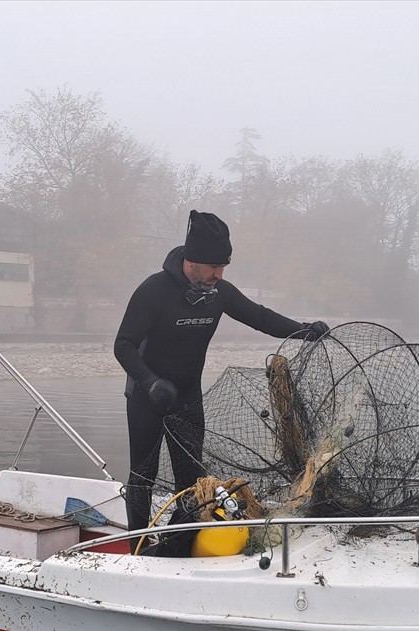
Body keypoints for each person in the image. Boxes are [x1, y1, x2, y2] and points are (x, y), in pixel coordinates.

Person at [113, 210, 329, 540]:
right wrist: (150, 381)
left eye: (223, 267)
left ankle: (180, 542)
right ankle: (137, 546)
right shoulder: (154, 290)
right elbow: (123, 345)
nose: (218, 274)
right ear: (191, 260)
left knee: (192, 479)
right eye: (213, 267)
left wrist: (305, 330)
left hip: (187, 399)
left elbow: (261, 317)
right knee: (143, 476)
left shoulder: (219, 293)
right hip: (147, 398)